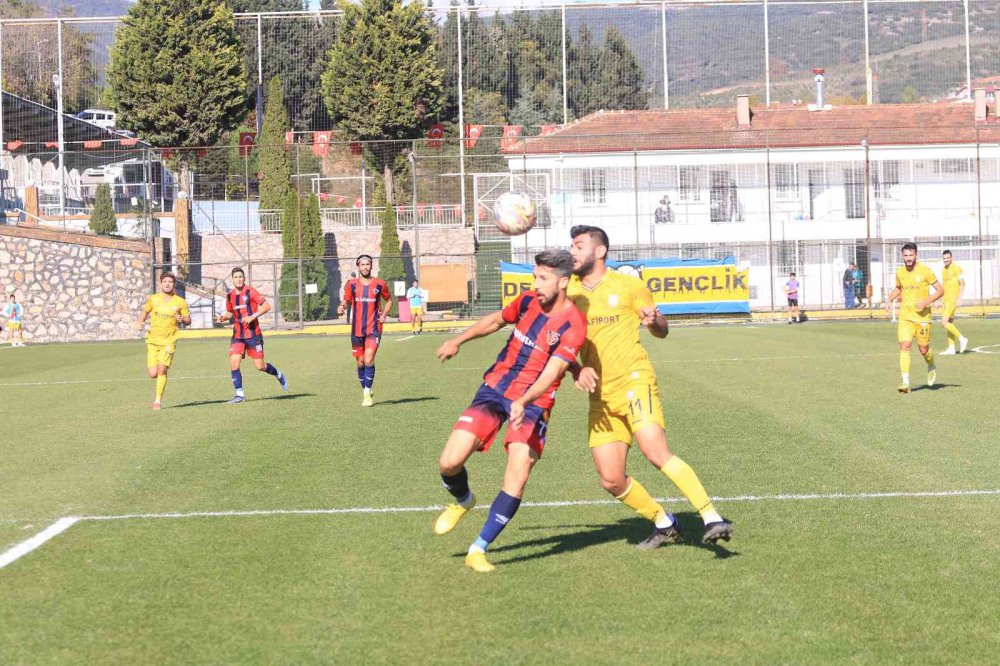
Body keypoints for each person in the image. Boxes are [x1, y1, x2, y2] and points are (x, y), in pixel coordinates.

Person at [567, 225, 732, 547]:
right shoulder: (568, 294)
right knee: (611, 479)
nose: (573, 252)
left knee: (656, 452)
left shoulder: (629, 286)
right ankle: (663, 522)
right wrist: (576, 369)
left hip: (634, 381)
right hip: (600, 397)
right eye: (571, 246)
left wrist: (654, 321)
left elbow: (662, 330)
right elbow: (558, 342)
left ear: (600, 251)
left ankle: (711, 516)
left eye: (579, 246)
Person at [433, 249, 586, 573]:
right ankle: (463, 500)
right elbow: (495, 320)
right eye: (535, 275)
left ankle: (479, 548)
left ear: (562, 282)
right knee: (449, 462)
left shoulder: (574, 324)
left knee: (517, 472)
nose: (536, 283)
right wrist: (458, 340)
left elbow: (552, 373)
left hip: (534, 404)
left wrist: (525, 400)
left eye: (542, 278)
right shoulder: (528, 301)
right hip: (494, 389)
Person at [216, 267, 288, 403]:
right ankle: (240, 395)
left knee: (260, 366)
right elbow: (231, 312)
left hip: (253, 334)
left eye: (240, 277)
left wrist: (252, 316)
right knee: (234, 363)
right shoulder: (230, 295)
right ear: (232, 279)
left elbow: (267, 306)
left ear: (244, 278)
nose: (238, 279)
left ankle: (278, 374)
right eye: (236, 277)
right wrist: (223, 317)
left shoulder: (251, 291)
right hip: (237, 335)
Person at [886, 242, 944, 394]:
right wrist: (889, 299)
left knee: (923, 349)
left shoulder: (926, 271)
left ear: (916, 255)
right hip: (905, 317)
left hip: (923, 318)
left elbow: (940, 290)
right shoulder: (900, 272)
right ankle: (905, 382)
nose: (908, 258)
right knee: (905, 346)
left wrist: (927, 301)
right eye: (906, 255)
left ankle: (931, 365)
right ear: (903, 256)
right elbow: (898, 288)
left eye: (911, 255)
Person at [337, 254, 392, 406]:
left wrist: (384, 315)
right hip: (356, 330)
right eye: (363, 265)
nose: (365, 267)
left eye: (368, 264)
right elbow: (346, 302)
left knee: (368, 359)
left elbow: (389, 300)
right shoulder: (351, 284)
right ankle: (366, 388)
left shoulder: (380, 284)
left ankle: (367, 393)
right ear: (358, 267)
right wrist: (341, 307)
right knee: (360, 362)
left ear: (371, 266)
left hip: (374, 329)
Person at [135, 272, 191, 410]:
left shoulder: (180, 302)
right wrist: (140, 321)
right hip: (153, 340)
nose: (167, 284)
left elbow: (188, 321)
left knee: (162, 370)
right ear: (161, 283)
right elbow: (145, 312)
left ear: (173, 284)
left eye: (170, 282)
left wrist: (182, 320)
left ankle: (157, 401)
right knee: (153, 373)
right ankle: (157, 395)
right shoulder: (153, 299)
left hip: (169, 341)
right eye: (165, 281)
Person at [938, 250, 969, 355]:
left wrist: (959, 299)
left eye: (948, 258)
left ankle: (962, 338)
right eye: (944, 258)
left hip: (952, 299)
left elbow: (963, 284)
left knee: (944, 322)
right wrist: (939, 299)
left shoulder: (957, 268)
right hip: (945, 300)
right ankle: (951, 348)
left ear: (951, 258)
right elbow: (943, 285)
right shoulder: (943, 270)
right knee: (949, 323)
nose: (946, 260)